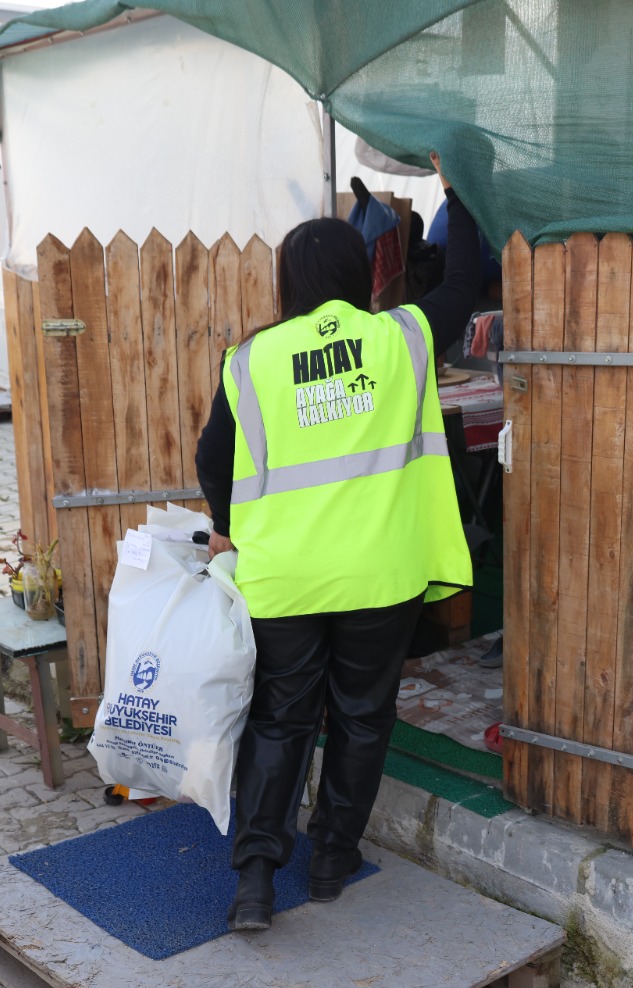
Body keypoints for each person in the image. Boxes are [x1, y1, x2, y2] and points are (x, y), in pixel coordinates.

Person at [195, 152, 479, 930]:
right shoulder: (402, 339)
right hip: (380, 577)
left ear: (288, 284)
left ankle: (255, 877)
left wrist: (225, 527)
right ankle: (330, 859)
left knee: (282, 717)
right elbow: (463, 282)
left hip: (284, 580)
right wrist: (457, 192)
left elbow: (211, 457)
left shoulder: (251, 361)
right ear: (361, 274)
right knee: (360, 714)